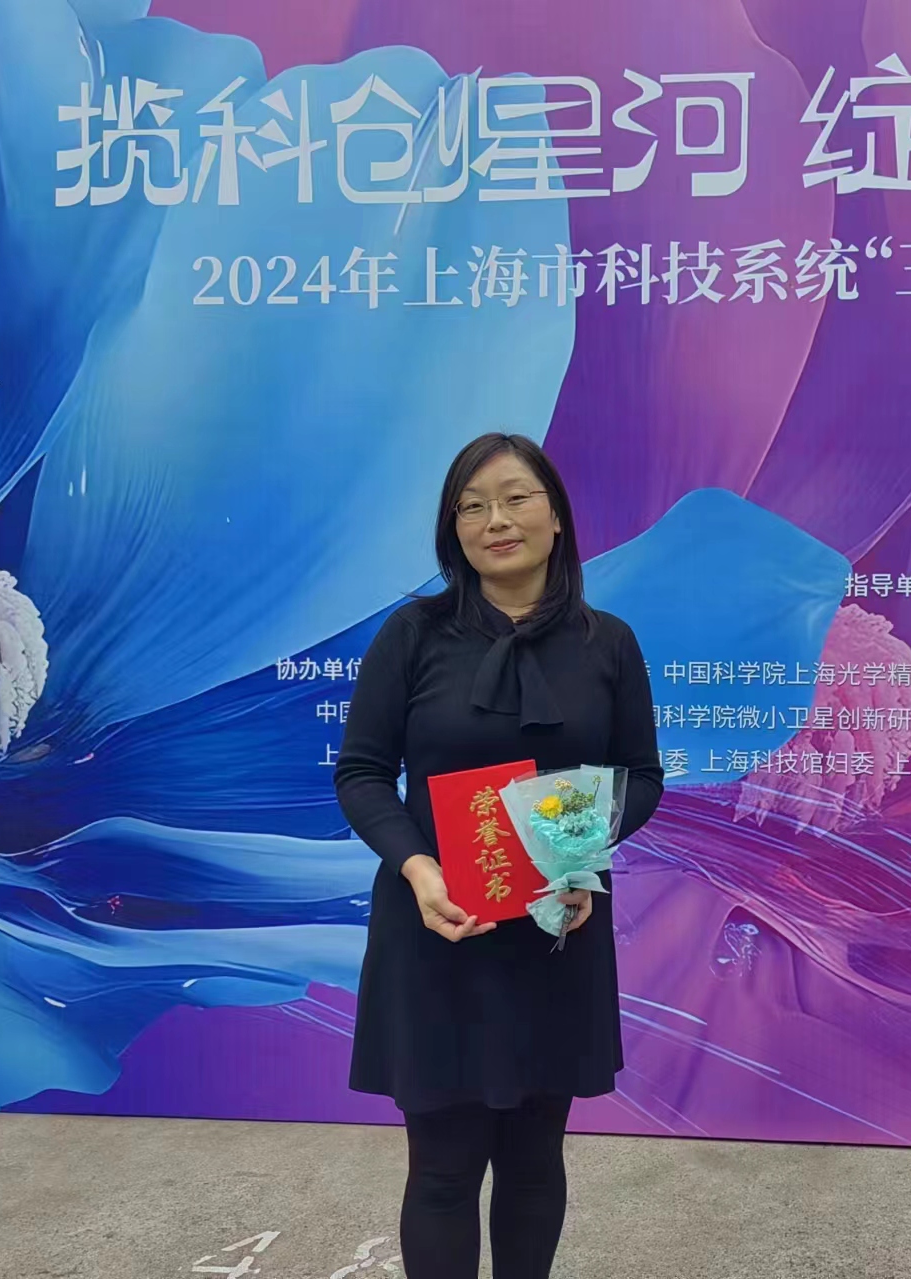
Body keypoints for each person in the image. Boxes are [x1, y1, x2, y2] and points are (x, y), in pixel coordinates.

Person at [334, 432, 664, 1279]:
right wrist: (419, 869)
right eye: (472, 506)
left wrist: (578, 857)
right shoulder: (413, 633)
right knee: (443, 1170)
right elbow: (363, 774)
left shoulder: (608, 642)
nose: (496, 520)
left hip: (557, 929)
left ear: (556, 516)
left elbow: (641, 774)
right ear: (454, 530)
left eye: (516, 497)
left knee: (534, 1160)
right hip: (437, 931)